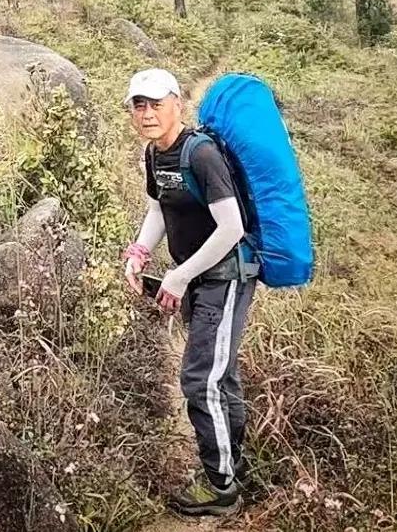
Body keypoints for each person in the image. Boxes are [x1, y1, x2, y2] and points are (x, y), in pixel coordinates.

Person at [121, 67, 257, 518]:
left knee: (201, 378)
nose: (147, 113)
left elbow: (231, 229)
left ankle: (221, 489)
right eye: (139, 105)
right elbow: (159, 208)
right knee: (219, 373)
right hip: (198, 278)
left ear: (177, 103)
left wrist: (179, 275)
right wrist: (141, 252)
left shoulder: (201, 156)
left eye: (156, 103)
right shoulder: (154, 155)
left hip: (226, 276)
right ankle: (234, 462)